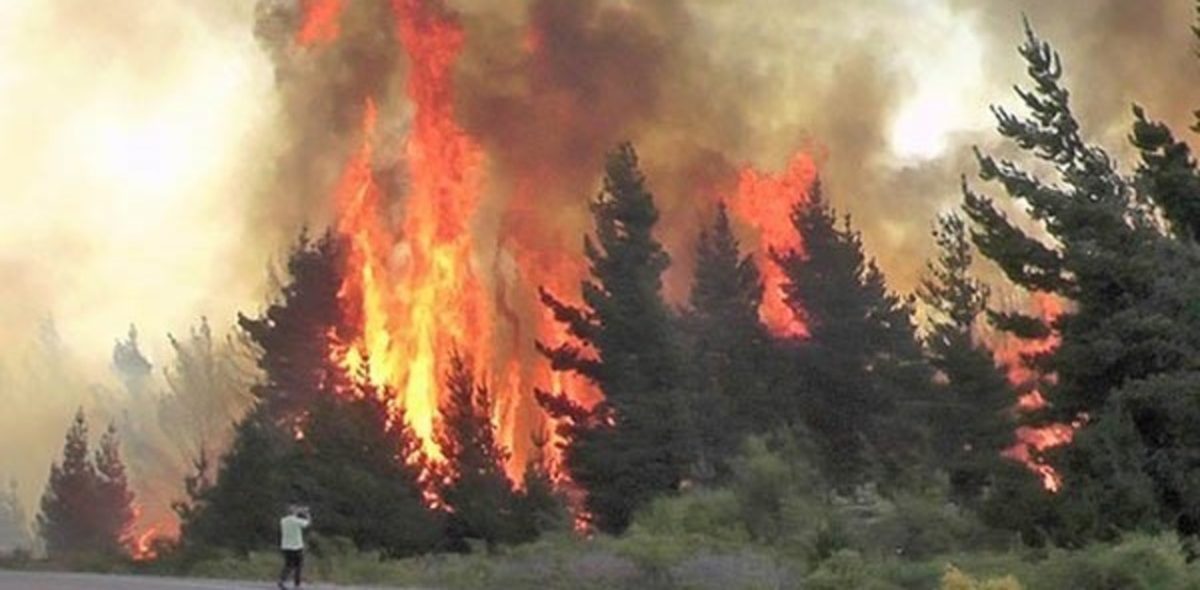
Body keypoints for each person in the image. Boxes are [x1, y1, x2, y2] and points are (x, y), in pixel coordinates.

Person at [278, 504, 311, 590]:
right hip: (296, 546)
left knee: (288, 565)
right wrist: (306, 513)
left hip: (285, 546)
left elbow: (292, 516)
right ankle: (297, 584)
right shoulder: (297, 521)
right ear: (293, 512)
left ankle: (282, 580)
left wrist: (298, 511)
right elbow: (307, 523)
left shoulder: (283, 520)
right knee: (298, 566)